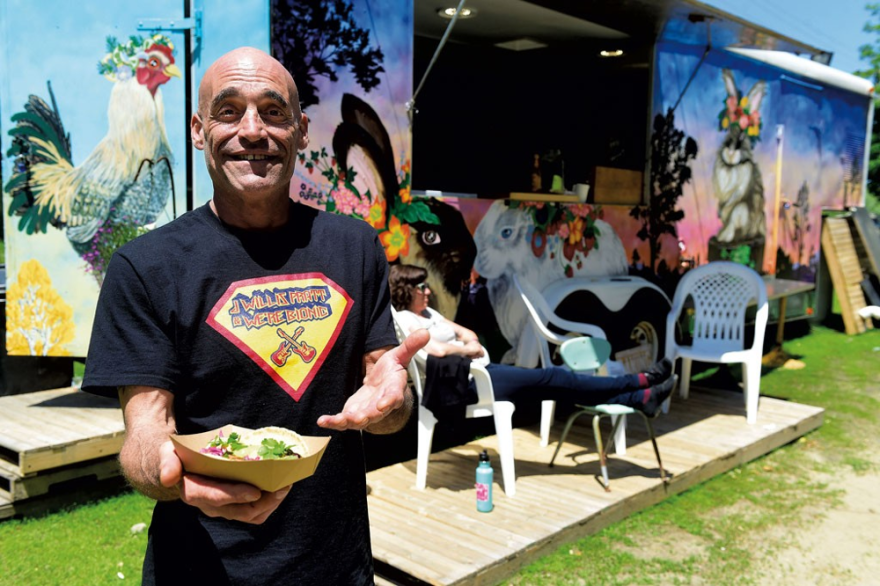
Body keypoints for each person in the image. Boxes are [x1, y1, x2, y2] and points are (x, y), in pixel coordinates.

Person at [81, 47, 428, 586]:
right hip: (198, 570)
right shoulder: (145, 267)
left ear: (302, 130)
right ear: (198, 130)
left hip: (336, 568)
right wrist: (175, 479)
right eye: (228, 112)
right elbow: (146, 432)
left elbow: (386, 396)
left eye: (273, 111)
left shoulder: (354, 246)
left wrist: (393, 400)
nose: (252, 130)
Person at [389, 264, 675, 415]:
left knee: (559, 384)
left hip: (483, 372)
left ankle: (641, 396)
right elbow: (437, 351)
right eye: (421, 286)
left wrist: (468, 345)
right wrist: (467, 349)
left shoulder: (428, 313)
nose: (427, 291)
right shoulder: (406, 319)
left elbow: (469, 333)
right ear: (405, 290)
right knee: (555, 378)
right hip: (469, 383)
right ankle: (638, 383)